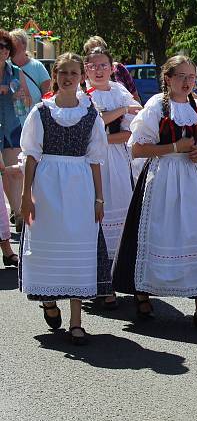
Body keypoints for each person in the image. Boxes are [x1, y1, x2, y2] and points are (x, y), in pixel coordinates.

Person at [112, 55, 197, 332]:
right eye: (181, 77)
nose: (187, 82)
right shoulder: (155, 107)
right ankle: (142, 295)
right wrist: (175, 147)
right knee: (157, 233)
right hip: (162, 179)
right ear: (168, 79)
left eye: (191, 77)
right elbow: (137, 148)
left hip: (193, 181)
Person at [18, 53, 109, 345]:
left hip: (79, 186)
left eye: (73, 72)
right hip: (47, 185)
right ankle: (48, 299)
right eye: (63, 72)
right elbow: (31, 156)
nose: (68, 78)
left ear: (82, 76)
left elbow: (96, 159)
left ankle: (76, 321)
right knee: (48, 246)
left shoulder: (91, 114)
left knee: (78, 248)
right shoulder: (41, 111)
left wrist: (99, 198)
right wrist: (26, 196)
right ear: (55, 76)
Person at [84, 46, 141, 310]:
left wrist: (104, 136)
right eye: (93, 66)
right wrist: (120, 112)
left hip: (118, 161)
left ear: (111, 67)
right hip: (90, 163)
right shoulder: (83, 95)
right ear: (86, 69)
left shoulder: (120, 91)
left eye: (103, 65)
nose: (98, 70)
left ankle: (116, 278)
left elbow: (131, 131)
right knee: (93, 217)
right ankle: (96, 282)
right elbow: (89, 128)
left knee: (120, 217)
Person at [0, 31, 26, 233]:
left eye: (5, 47)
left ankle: (17, 214)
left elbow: (26, 99)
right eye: (0, 47)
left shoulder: (16, 71)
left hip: (12, 125)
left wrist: (18, 95)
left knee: (15, 172)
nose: (2, 51)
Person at [82, 36, 140, 102]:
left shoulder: (119, 69)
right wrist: (125, 109)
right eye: (92, 51)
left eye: (100, 50)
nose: (97, 54)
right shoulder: (81, 78)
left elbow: (134, 95)